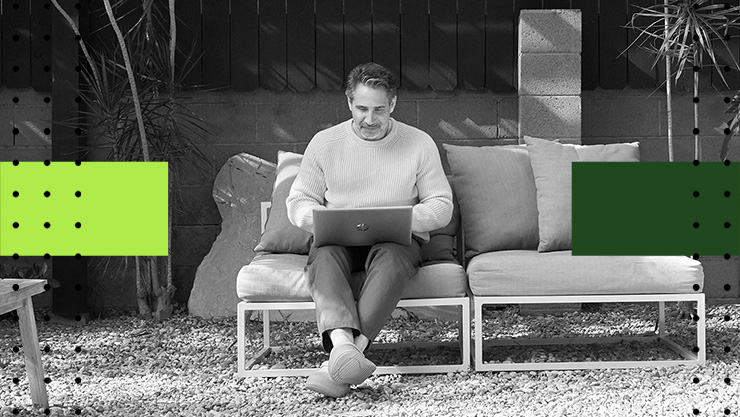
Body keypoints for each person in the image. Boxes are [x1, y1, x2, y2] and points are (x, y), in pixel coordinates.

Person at [286, 62, 453, 397]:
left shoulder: (419, 143)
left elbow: (441, 205)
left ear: (393, 104)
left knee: (392, 260)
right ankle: (346, 350)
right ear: (349, 103)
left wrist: (407, 218)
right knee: (323, 258)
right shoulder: (325, 143)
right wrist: (317, 218)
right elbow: (298, 201)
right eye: (361, 108)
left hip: (395, 242)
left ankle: (346, 354)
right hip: (337, 241)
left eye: (379, 109)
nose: (369, 119)